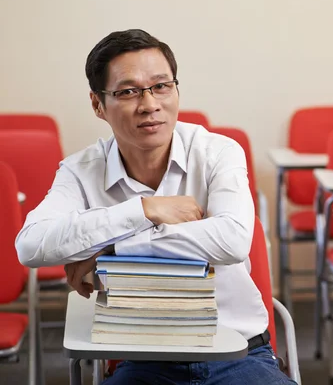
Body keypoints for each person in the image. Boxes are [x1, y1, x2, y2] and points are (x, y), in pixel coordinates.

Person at [15, 29, 295, 385]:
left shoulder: (218, 152)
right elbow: (30, 244)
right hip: (142, 357)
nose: (149, 104)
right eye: (128, 91)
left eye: (161, 86)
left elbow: (233, 241)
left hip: (237, 350)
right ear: (98, 104)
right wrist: (144, 210)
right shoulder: (80, 170)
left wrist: (113, 250)